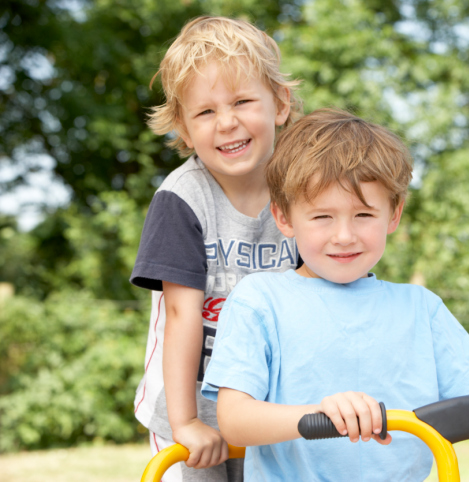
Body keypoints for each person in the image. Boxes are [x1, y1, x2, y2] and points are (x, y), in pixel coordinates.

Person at [200, 109, 469, 481]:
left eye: (363, 215)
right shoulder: (262, 299)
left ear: (393, 214)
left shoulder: (421, 308)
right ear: (284, 217)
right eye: (322, 216)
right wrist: (319, 413)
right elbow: (235, 420)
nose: (344, 235)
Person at [130, 16, 302, 482]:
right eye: (205, 112)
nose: (227, 123)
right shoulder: (182, 198)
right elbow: (185, 315)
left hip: (269, 409)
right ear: (184, 129)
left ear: (280, 103)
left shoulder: (304, 191)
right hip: (191, 405)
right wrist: (187, 423)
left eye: (243, 101)